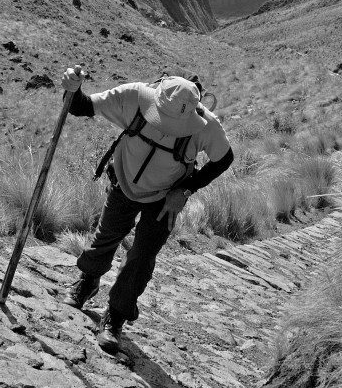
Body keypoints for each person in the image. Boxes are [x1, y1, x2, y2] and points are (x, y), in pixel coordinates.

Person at [61, 66, 233, 352]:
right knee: (106, 237)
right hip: (125, 182)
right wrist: (72, 87)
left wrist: (185, 190)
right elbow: (81, 106)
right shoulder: (134, 96)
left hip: (165, 198)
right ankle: (88, 281)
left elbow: (224, 159)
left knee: (142, 257)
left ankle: (115, 316)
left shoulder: (206, 125)